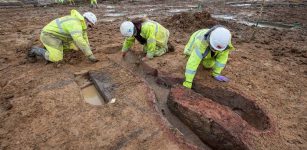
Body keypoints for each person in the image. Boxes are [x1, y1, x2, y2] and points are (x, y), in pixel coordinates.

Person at [28, 9, 98, 63]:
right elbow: (79, 39)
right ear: (87, 21)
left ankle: (49, 48)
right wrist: (89, 55)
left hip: (59, 37)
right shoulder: (76, 24)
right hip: (49, 36)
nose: (89, 28)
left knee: (73, 49)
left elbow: (84, 38)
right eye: (90, 25)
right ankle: (35, 50)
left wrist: (88, 47)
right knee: (57, 59)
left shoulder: (81, 24)